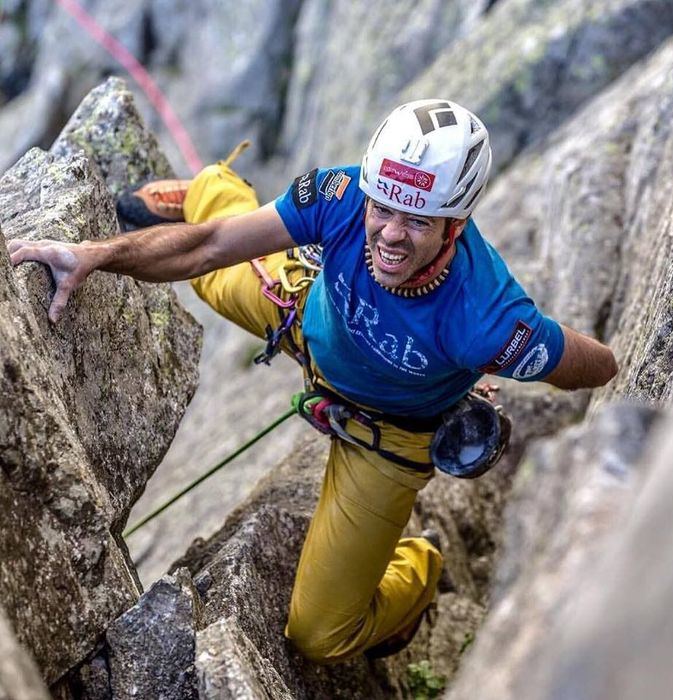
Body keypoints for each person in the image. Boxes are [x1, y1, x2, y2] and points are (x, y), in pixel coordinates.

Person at [7, 99, 617, 663]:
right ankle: (212, 188)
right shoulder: (343, 193)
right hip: (302, 314)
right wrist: (94, 253)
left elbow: (596, 366)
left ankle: (421, 564)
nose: (388, 234)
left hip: (387, 436)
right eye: (382, 207)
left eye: (416, 220)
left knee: (322, 634)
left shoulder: (488, 320)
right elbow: (211, 248)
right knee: (210, 271)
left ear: (455, 227)